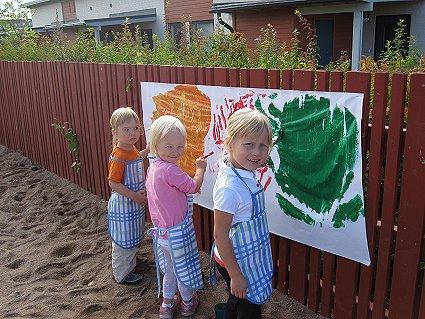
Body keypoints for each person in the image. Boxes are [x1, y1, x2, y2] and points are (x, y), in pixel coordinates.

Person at [212, 108, 274, 319]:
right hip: (234, 261)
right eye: (248, 144)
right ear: (230, 143)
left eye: (263, 146)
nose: (256, 152)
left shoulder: (244, 172)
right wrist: (236, 275)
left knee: (238, 298)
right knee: (249, 309)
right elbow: (220, 235)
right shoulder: (230, 188)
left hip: (247, 255)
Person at [146, 115, 207, 319]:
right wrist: (200, 169)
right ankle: (188, 303)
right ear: (156, 145)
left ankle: (166, 305)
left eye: (180, 147)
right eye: (169, 147)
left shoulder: (153, 167)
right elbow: (193, 187)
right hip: (177, 234)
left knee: (170, 269)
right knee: (184, 270)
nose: (176, 152)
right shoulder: (171, 170)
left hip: (161, 235)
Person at [107, 107, 149, 284]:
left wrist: (147, 150)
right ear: (115, 132)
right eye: (126, 129)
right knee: (123, 239)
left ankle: (131, 261)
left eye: (136, 128)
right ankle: (122, 273)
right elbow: (113, 183)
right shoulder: (118, 156)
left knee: (132, 233)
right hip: (125, 204)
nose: (133, 133)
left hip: (133, 203)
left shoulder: (130, 148)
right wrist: (134, 196)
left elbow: (136, 157)